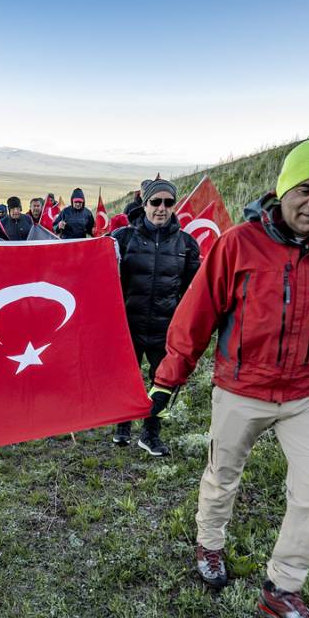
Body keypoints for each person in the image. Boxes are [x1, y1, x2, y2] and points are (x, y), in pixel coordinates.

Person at [149, 140, 309, 618]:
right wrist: (168, 378)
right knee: (222, 474)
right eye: (307, 189)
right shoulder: (238, 244)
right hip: (241, 389)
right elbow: (196, 314)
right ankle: (209, 546)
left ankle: (283, 587)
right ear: (283, 189)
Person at [111, 178, 200, 456]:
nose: (162, 208)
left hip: (165, 328)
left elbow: (193, 290)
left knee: (164, 382)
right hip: (129, 325)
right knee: (126, 378)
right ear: (145, 203)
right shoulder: (123, 239)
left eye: (168, 202)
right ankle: (122, 424)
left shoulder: (187, 244)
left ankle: (151, 433)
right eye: (155, 202)